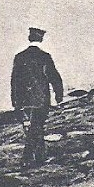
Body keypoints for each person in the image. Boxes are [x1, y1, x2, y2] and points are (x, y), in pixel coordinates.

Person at [10, 27, 64, 169]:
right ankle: (27, 157)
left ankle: (40, 156)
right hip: (41, 100)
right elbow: (54, 76)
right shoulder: (45, 56)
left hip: (24, 101)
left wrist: (15, 102)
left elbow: (15, 81)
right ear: (41, 39)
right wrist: (59, 95)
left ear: (29, 38)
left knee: (35, 127)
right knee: (36, 126)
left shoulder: (19, 57)